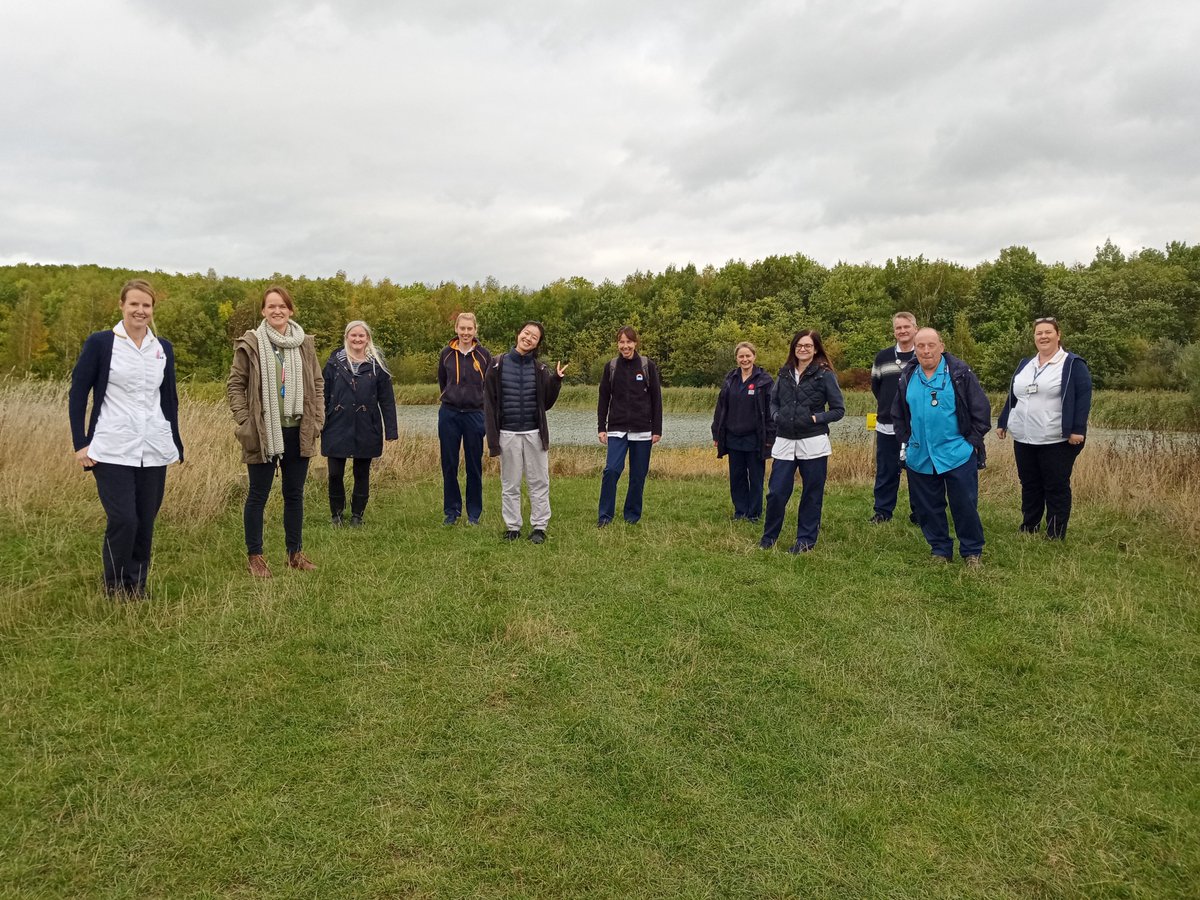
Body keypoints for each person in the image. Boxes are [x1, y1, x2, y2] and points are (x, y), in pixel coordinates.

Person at [68, 279, 183, 599]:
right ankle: (114, 585)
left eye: (146, 305)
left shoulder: (162, 348)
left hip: (153, 448)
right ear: (121, 305)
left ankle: (137, 586)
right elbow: (78, 394)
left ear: (152, 309)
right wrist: (80, 442)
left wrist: (175, 440)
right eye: (134, 304)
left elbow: (168, 399)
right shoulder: (102, 343)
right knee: (123, 519)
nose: (140, 310)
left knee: (145, 521)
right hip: (112, 447)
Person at [227, 285, 324, 577]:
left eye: (282, 306)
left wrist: (317, 419)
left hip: (299, 430)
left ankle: (295, 554)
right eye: (271, 306)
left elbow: (317, 384)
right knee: (258, 494)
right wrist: (246, 421)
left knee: (294, 494)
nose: (277, 311)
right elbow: (235, 385)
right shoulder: (252, 343)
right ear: (263, 311)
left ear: (290, 310)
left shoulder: (304, 343)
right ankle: (255, 556)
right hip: (263, 432)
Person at [892, 327, 991, 566]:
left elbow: (981, 411)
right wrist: (907, 440)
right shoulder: (908, 375)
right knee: (928, 507)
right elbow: (898, 414)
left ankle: (971, 552)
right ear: (915, 349)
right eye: (921, 346)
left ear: (941, 346)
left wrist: (971, 443)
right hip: (920, 456)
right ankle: (939, 549)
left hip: (956, 453)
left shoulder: (959, 373)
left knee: (964, 505)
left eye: (931, 345)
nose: (926, 351)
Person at [996, 317, 1092, 540]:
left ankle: (1055, 532)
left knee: (1055, 485)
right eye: (1039, 333)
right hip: (1024, 436)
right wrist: (1003, 421)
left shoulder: (1072, 364)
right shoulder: (1026, 364)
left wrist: (1078, 430)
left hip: (1055, 438)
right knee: (1029, 483)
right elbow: (1014, 395)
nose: (1043, 336)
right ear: (1034, 337)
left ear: (1058, 335)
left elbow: (1083, 397)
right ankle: (1029, 526)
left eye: (1048, 332)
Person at [760, 330, 845, 553]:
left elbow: (838, 410)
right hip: (785, 441)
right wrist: (776, 416)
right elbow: (773, 402)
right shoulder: (784, 373)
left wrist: (816, 418)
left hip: (813, 442)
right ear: (794, 348)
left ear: (815, 349)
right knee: (776, 492)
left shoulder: (824, 374)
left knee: (811, 493)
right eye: (799, 345)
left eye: (808, 346)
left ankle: (805, 541)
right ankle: (769, 538)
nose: (803, 349)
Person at [483, 321, 567, 543]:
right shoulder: (496, 365)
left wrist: (556, 381)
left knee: (539, 482)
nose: (528, 338)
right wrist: (493, 441)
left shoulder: (540, 370)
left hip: (534, 434)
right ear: (518, 333)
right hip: (507, 434)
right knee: (510, 483)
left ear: (537, 344)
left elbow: (546, 403)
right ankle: (513, 527)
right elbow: (489, 404)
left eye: (534, 337)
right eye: (526, 333)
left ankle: (539, 527)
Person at [321, 320, 398, 527]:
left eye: (361, 336)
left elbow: (387, 400)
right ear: (346, 337)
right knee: (335, 473)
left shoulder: (378, 366)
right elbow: (322, 394)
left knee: (361, 473)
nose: (357, 339)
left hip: (367, 426)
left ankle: (357, 516)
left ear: (367, 339)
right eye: (353, 335)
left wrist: (391, 430)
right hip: (336, 425)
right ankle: (336, 515)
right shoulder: (333, 363)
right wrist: (319, 422)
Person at [596, 326, 663, 527]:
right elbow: (603, 398)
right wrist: (601, 427)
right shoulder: (611, 366)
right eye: (621, 342)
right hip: (616, 429)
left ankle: (631, 516)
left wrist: (657, 430)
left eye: (629, 342)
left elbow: (656, 399)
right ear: (618, 344)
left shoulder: (647, 366)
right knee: (611, 470)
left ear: (635, 343)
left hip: (643, 430)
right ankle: (605, 516)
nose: (625, 346)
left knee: (637, 476)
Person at [437, 312, 492, 526]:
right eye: (462, 328)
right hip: (449, 413)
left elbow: (489, 387)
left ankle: (474, 514)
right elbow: (443, 381)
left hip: (475, 415)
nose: (466, 333)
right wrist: (451, 399)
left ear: (475, 330)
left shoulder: (484, 355)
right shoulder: (446, 354)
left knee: (473, 465)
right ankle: (452, 512)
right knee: (449, 464)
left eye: (470, 329)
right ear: (456, 329)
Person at [711, 341, 774, 522]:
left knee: (755, 478)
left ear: (754, 357)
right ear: (737, 358)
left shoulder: (765, 381)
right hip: (733, 438)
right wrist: (717, 433)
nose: (745, 359)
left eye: (748, 355)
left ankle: (754, 514)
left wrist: (770, 437)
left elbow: (771, 411)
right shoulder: (731, 379)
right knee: (737, 478)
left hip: (755, 438)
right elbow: (721, 408)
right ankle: (740, 512)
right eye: (741, 356)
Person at [869, 312, 919, 524]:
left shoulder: (924, 355)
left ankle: (920, 513)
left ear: (915, 328)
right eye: (898, 328)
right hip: (887, 425)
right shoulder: (883, 357)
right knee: (886, 470)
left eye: (906, 327)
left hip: (917, 425)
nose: (903, 331)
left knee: (919, 471)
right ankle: (883, 512)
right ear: (894, 331)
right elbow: (876, 387)